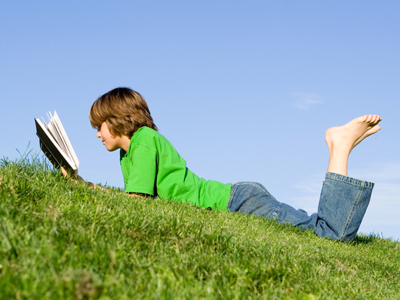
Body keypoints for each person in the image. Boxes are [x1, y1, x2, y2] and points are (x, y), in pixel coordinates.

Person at [86, 87, 382, 241]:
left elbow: (137, 201)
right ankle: (341, 148)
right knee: (312, 228)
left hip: (238, 203)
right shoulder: (129, 153)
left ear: (117, 120)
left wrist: (90, 190)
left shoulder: (144, 140)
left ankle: (340, 146)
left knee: (328, 234)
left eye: (99, 125)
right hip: (240, 198)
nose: (97, 134)